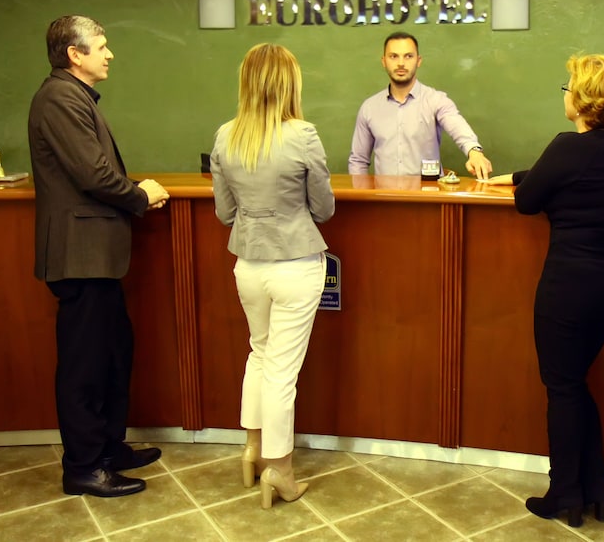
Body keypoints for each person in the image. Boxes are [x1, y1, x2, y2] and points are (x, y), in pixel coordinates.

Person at [484, 54, 604, 527]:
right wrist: (521, 175)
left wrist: (522, 181)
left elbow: (529, 201)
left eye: (569, 86)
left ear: (583, 99)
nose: (565, 93)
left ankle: (565, 493)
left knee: (562, 387)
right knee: (575, 383)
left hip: (568, 285)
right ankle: (595, 489)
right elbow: (558, 179)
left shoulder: (567, 145)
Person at [27, 15, 170, 497]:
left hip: (96, 258)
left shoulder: (74, 96)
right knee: (85, 366)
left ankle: (108, 448)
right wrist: (140, 195)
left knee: (112, 354)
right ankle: (84, 467)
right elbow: (92, 174)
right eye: (102, 46)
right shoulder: (59, 98)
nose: (109, 54)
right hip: (79, 256)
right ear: (75, 54)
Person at [210, 43, 335, 509]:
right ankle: (279, 471)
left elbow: (225, 213)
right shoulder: (303, 135)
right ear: (289, 84)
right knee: (282, 371)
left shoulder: (226, 136)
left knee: (259, 355)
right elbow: (323, 208)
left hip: (248, 265)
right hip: (296, 263)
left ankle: (252, 450)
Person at [348, 32, 493, 179]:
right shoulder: (369, 108)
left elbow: (457, 127)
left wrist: (474, 152)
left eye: (408, 56)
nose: (401, 63)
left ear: (418, 61)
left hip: (429, 192)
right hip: (385, 193)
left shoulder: (436, 100)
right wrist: (361, 190)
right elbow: (358, 161)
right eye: (394, 56)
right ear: (384, 61)